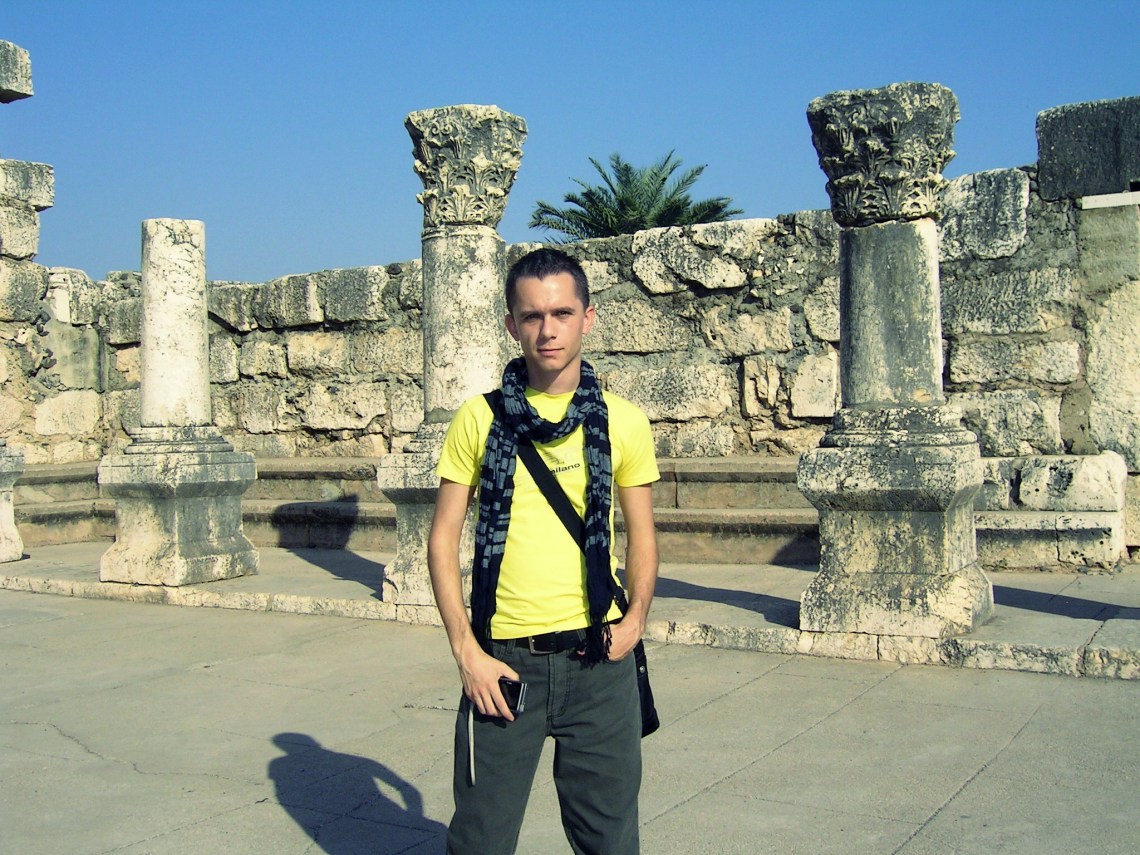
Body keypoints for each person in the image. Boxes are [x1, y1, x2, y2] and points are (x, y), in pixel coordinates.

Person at [427, 247, 660, 855]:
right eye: (532, 316)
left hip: (600, 662)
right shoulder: (478, 419)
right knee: (479, 840)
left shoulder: (623, 421)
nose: (547, 330)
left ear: (587, 318)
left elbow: (642, 535)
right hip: (503, 665)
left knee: (611, 841)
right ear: (512, 324)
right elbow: (443, 537)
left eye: (562, 313)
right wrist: (466, 653)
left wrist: (635, 620)